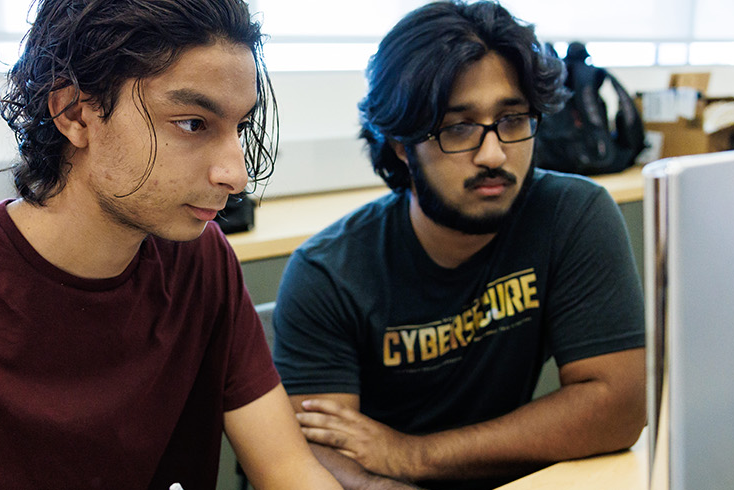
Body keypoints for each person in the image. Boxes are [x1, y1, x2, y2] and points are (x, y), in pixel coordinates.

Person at [0, 1, 341, 489]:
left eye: (239, 128)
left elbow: (287, 468)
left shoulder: (200, 260)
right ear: (75, 114)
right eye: (194, 123)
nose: (235, 175)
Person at [270, 2, 646, 489]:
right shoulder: (329, 272)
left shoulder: (572, 216)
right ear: (403, 145)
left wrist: (415, 455)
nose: (494, 154)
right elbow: (317, 457)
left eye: (512, 119)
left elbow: (618, 407)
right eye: (459, 128)